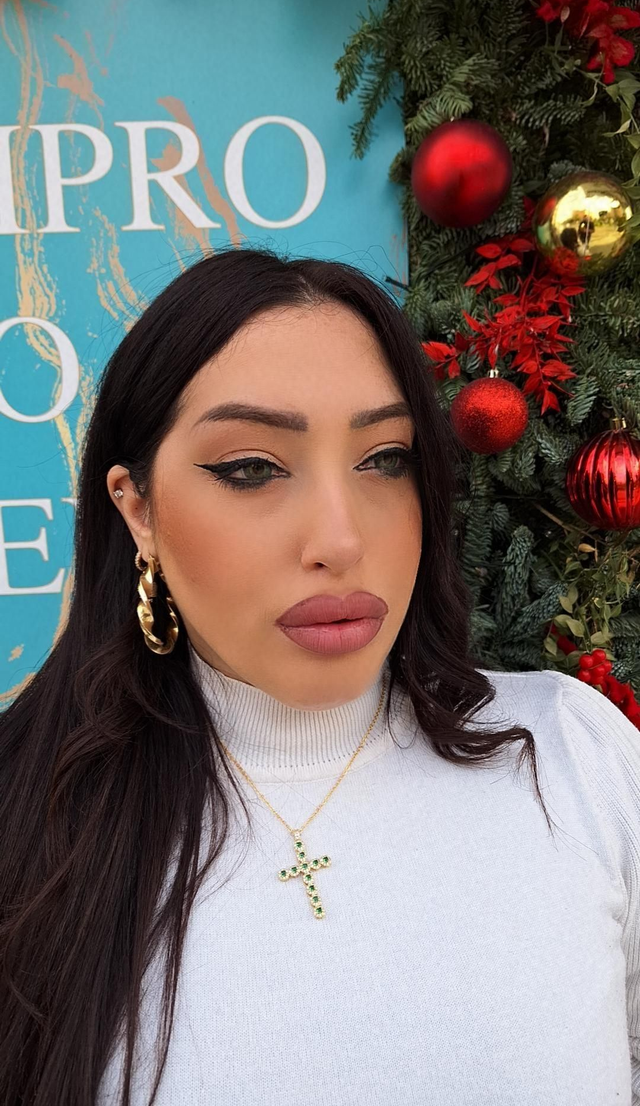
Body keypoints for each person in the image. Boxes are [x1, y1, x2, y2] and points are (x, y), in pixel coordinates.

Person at [1, 246, 639, 1106]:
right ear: (138, 508)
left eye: (385, 459)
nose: (340, 540)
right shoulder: (26, 818)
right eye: (252, 469)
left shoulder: (574, 758)